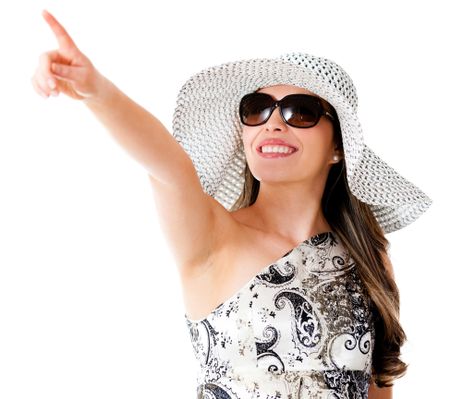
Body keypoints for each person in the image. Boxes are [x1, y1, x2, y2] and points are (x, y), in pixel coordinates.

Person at [32, 9, 432, 399]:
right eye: (257, 109)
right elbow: (168, 168)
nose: (274, 123)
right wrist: (98, 93)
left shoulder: (368, 257)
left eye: (300, 112)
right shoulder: (213, 235)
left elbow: (379, 385)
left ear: (338, 148)